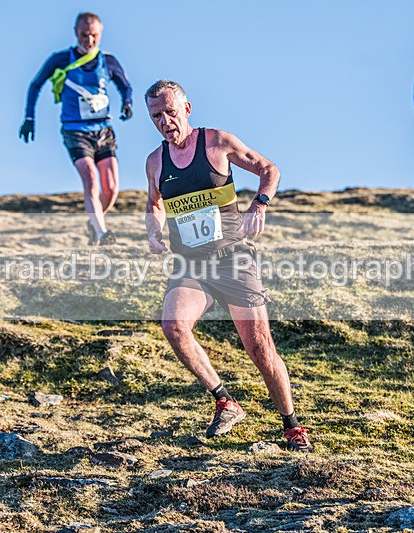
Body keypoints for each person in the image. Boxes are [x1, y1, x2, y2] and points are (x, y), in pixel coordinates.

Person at [143, 80, 313, 452]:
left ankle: (293, 426)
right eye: (156, 116)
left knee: (261, 350)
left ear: (186, 109)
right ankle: (225, 400)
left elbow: (269, 169)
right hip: (191, 265)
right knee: (173, 325)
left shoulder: (217, 142)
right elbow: (154, 203)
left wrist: (259, 204)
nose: (164, 121)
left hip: (232, 261)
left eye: (170, 112)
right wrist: (153, 227)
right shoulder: (156, 162)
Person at [20, 11, 133, 245]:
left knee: (111, 188)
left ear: (100, 34)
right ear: (75, 32)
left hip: (103, 130)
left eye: (93, 35)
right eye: (84, 34)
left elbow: (125, 86)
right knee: (90, 178)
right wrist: (29, 117)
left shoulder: (108, 61)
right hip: (75, 131)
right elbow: (35, 85)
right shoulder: (60, 59)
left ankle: (94, 222)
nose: (88, 40)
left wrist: (127, 103)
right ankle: (102, 234)